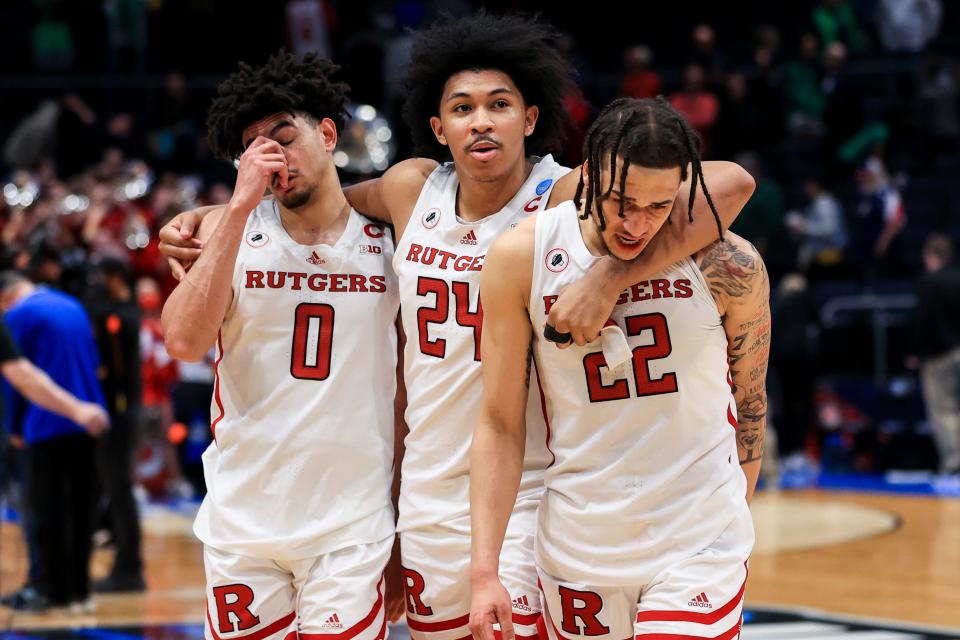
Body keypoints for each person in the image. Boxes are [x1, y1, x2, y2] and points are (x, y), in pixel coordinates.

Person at [159, 15, 755, 640]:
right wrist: (214, 213)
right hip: (424, 499)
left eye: (499, 104)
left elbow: (723, 183)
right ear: (439, 128)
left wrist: (608, 274)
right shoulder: (410, 189)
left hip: (523, 489)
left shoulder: (562, 195)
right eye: (463, 108)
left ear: (529, 118)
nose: (482, 121)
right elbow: (321, 201)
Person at [469, 98, 769, 640]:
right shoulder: (522, 257)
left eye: (659, 207)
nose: (637, 225)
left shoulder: (729, 263)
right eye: (621, 203)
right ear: (588, 174)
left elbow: (750, 405)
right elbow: (499, 422)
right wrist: (484, 569)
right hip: (580, 541)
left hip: (698, 539)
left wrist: (728, 521)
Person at [160, 52, 403, 640]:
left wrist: (402, 525)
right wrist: (238, 205)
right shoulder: (228, 231)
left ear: (327, 133)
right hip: (244, 523)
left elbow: (403, 396)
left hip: (352, 525)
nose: (271, 155)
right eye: (254, 147)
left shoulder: (394, 239)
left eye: (284, 137)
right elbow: (183, 342)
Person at [1, 271, 109, 613]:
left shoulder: (19, 314)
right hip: (89, 417)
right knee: (81, 509)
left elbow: (17, 376)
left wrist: (14, 426)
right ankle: (80, 589)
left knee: (45, 512)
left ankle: (48, 589)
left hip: (45, 422)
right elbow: (94, 363)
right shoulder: (72, 305)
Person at [87, 257, 146, 592]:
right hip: (119, 410)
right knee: (114, 490)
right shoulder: (120, 312)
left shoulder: (122, 316)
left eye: (104, 277)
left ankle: (130, 568)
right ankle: (123, 561)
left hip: (122, 413)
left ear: (116, 278)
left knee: (120, 490)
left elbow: (104, 324)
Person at [909, 234, 960, 476]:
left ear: (931, 256)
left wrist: (916, 352)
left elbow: (923, 321)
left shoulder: (929, 282)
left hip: (940, 356)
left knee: (944, 410)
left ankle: (953, 464)